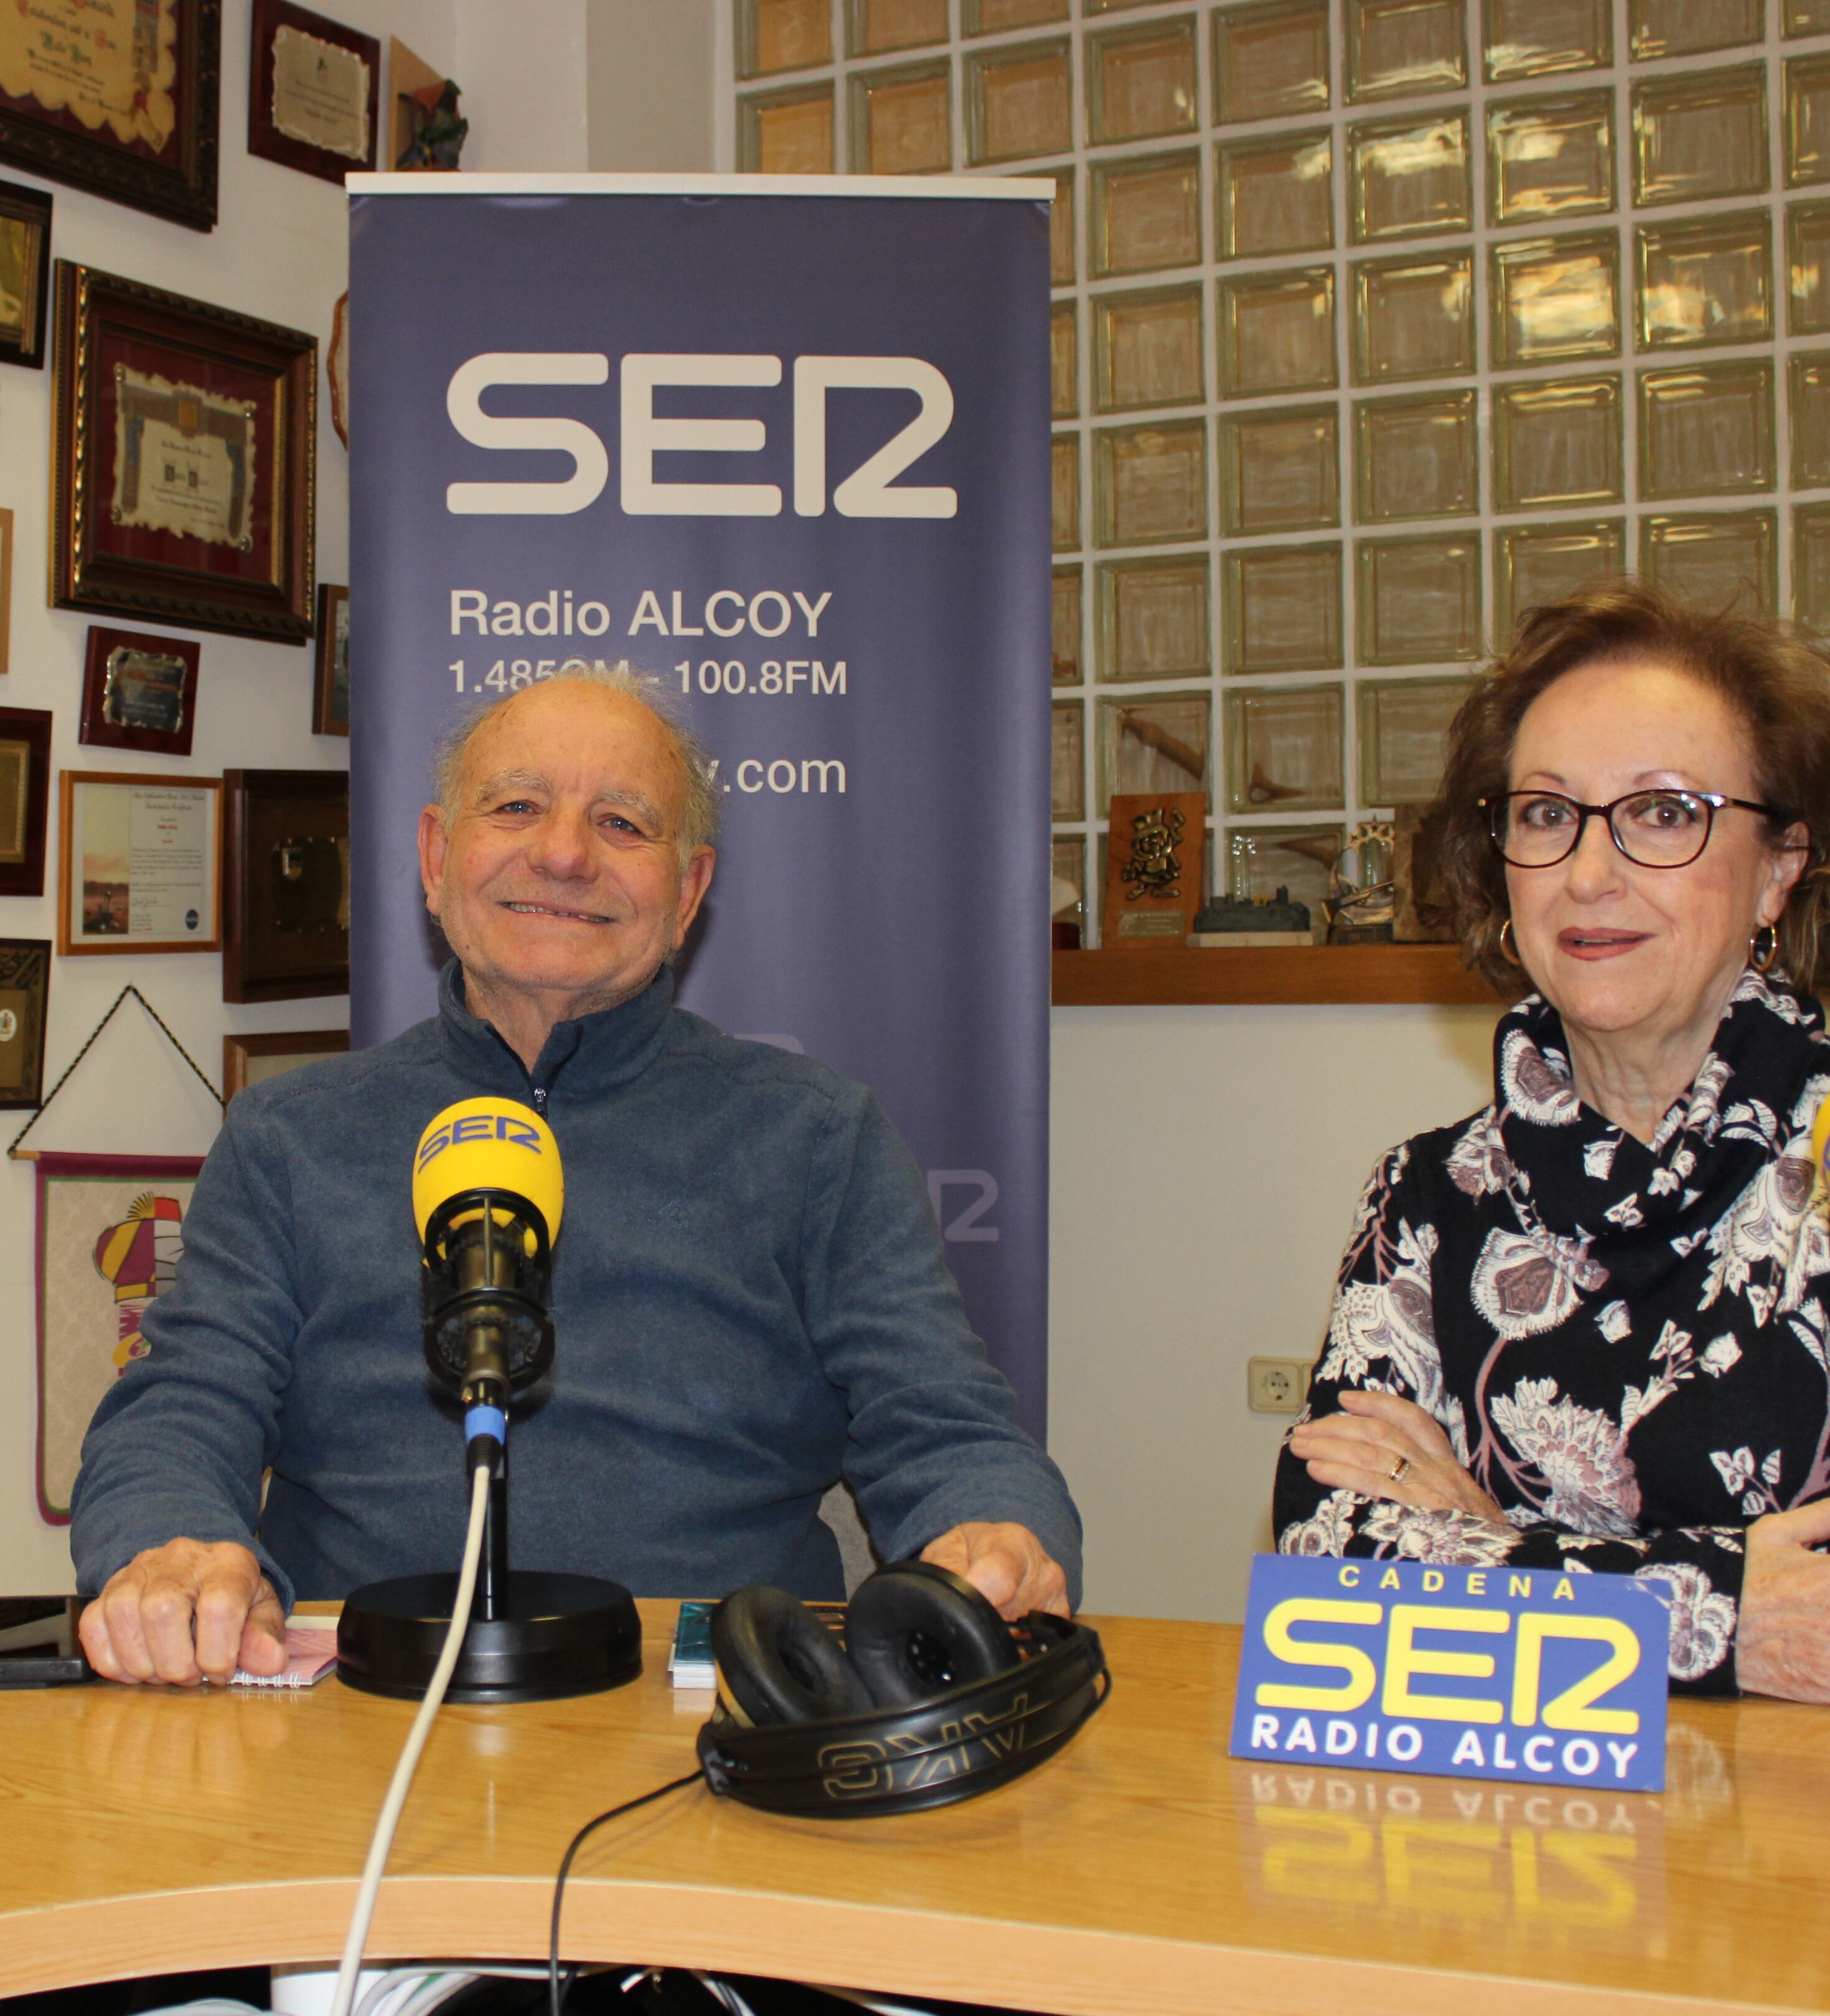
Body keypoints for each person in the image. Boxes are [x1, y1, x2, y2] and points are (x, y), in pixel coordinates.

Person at [72, 672, 1082, 1683]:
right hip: (362, 1712)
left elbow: (950, 1429)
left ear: (687, 893)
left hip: (706, 1725)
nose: (561, 853)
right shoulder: (287, 1136)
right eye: (514, 806)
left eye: (623, 822)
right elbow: (178, 1412)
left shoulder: (817, 1137)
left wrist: (991, 1534)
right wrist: (174, 1541)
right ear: (434, 857)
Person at [1271, 582, 1830, 1705]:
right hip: (1523, 1840)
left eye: (1666, 811)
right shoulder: (1427, 1193)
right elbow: (1330, 1566)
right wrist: (1729, 1613)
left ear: (1781, 865)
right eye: (1546, 813)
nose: (1590, 872)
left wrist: (1495, 1545)